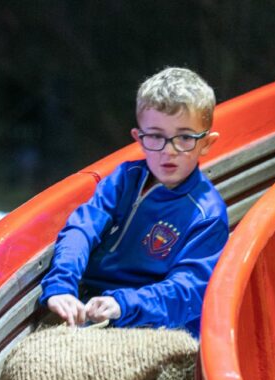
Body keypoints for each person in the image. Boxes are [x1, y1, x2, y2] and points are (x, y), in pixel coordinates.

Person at [39, 67, 229, 338]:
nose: (169, 150)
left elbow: (187, 291)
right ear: (139, 138)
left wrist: (123, 304)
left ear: (207, 143)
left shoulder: (207, 214)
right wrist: (61, 285)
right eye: (155, 136)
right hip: (92, 302)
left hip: (155, 323)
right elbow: (82, 229)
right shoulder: (124, 179)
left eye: (185, 137)